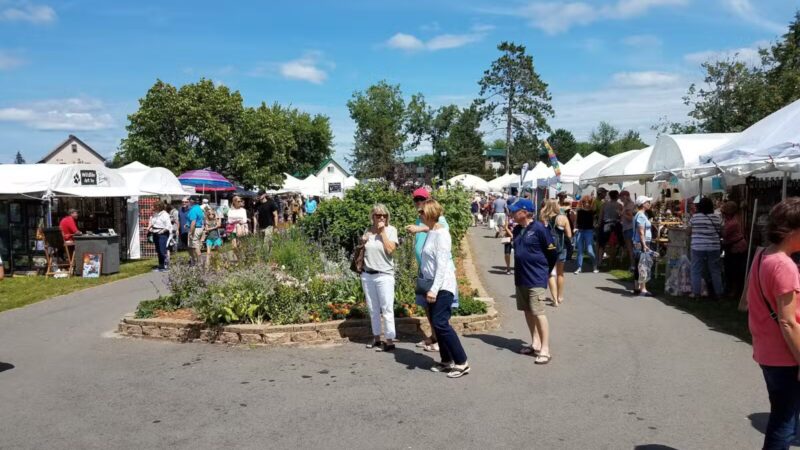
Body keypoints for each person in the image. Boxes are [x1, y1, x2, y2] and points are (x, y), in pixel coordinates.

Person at [747, 198, 800, 450]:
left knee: (783, 416)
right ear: (792, 231)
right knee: (784, 422)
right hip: (786, 355)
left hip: (768, 350)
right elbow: (788, 322)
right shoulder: (784, 265)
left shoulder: (763, 255)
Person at [419, 199, 470, 377]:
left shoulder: (442, 235)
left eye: (422, 212)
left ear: (430, 214)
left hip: (443, 286)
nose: (419, 215)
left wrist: (434, 289)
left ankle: (462, 362)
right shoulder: (432, 232)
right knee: (437, 323)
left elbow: (442, 265)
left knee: (441, 323)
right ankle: (446, 360)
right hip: (432, 283)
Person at [406, 187, 453, 353]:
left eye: (422, 199)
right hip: (425, 271)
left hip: (437, 273)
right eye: (416, 200)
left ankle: (442, 342)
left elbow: (440, 229)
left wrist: (419, 229)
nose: (419, 202)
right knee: (427, 306)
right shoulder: (420, 218)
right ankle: (434, 336)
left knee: (438, 312)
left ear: (428, 200)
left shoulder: (438, 219)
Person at [511, 198, 556, 364]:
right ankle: (535, 342)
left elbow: (552, 253)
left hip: (536, 277)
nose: (512, 214)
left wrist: (545, 272)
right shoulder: (517, 229)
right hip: (521, 277)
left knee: (538, 312)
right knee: (527, 310)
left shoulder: (539, 229)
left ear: (524, 212)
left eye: (515, 211)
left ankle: (545, 349)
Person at [360, 204, 399, 352]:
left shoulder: (391, 230)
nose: (381, 217)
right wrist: (362, 242)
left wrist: (382, 233)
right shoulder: (368, 231)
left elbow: (390, 250)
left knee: (387, 308)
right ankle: (376, 337)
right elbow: (364, 251)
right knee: (373, 308)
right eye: (378, 215)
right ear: (373, 217)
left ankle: (389, 340)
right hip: (367, 274)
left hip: (384, 275)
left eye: (384, 215)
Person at [688, 197, 724, 300]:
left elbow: (688, 232)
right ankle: (719, 293)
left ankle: (696, 294)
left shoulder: (694, 217)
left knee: (696, 270)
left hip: (697, 246)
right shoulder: (717, 217)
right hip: (714, 246)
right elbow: (722, 232)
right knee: (715, 270)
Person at [541, 199, 572, 306]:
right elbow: (569, 235)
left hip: (548, 248)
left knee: (550, 273)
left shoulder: (543, 217)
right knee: (560, 273)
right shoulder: (563, 218)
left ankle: (554, 299)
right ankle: (560, 296)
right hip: (561, 248)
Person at [721, 201, 748, 299]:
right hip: (733, 246)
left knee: (734, 269)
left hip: (737, 247)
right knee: (732, 268)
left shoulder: (733, 223)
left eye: (724, 212)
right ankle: (733, 289)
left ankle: (735, 291)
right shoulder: (732, 220)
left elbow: (724, 233)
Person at [632, 196, 654, 296]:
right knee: (643, 265)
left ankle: (636, 287)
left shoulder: (640, 214)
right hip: (641, 243)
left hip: (639, 242)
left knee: (639, 265)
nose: (649, 204)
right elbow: (641, 231)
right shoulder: (641, 215)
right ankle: (643, 289)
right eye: (647, 202)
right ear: (643, 204)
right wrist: (644, 245)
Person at [598, 190, 622, 269]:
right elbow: (621, 217)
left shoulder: (604, 204)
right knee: (613, 244)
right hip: (615, 225)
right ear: (617, 196)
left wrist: (599, 225)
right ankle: (611, 262)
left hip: (605, 224)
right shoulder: (619, 205)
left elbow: (601, 216)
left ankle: (600, 262)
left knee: (602, 244)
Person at [574, 196, 598, 274]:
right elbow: (576, 221)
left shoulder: (592, 211)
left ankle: (595, 265)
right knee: (580, 251)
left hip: (589, 231)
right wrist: (575, 228)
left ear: (590, 203)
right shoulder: (579, 211)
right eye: (584, 202)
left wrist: (595, 226)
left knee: (589, 250)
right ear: (582, 202)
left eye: (588, 202)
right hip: (580, 231)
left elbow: (594, 222)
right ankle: (579, 268)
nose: (586, 203)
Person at [147, 202, 173, 272]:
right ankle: (161, 266)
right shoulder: (155, 214)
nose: (152, 208)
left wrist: (162, 231)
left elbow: (168, 226)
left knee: (162, 250)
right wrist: (150, 228)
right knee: (158, 250)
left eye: (153, 206)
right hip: (155, 233)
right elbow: (153, 223)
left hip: (163, 234)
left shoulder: (165, 214)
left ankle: (166, 266)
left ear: (158, 207)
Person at [620, 190, 636, 272]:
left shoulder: (629, 205)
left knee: (631, 248)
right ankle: (633, 265)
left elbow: (630, 218)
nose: (620, 199)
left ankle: (633, 265)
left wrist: (621, 213)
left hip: (629, 228)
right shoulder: (629, 205)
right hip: (628, 228)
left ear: (625, 196)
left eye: (621, 197)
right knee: (631, 248)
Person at [186, 198, 205, 267]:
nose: (187, 202)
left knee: (195, 246)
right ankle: (193, 261)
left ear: (191, 201)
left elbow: (193, 222)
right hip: (199, 228)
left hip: (195, 229)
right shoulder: (199, 208)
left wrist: (191, 232)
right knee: (191, 246)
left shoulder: (193, 210)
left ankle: (200, 263)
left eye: (188, 201)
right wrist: (187, 224)